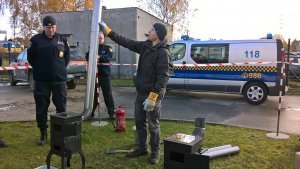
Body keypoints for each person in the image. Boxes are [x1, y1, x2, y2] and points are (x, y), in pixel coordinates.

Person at [100, 21, 171, 164]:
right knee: (140, 122)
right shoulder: (145, 46)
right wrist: (108, 31)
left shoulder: (163, 53)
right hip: (141, 93)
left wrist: (153, 97)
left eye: (151, 30)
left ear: (157, 34)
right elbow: (127, 42)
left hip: (153, 96)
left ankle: (155, 152)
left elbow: (163, 77)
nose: (148, 32)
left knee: (153, 125)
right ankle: (141, 148)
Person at [27, 16, 70, 146]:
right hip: (42, 81)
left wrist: (59, 69)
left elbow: (66, 58)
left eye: (53, 27)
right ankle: (43, 134)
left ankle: (59, 134)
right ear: (43, 27)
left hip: (59, 81)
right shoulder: (35, 40)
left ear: (55, 27)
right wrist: (41, 70)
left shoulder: (62, 39)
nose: (50, 30)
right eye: (48, 27)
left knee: (61, 108)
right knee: (41, 108)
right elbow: (31, 59)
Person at [85, 32, 115, 119]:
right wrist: (91, 54)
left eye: (101, 38)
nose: (99, 40)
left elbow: (108, 57)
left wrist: (99, 57)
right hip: (94, 75)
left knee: (108, 95)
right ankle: (91, 113)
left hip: (104, 76)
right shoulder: (92, 47)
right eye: (98, 38)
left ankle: (111, 113)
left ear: (104, 39)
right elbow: (87, 57)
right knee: (93, 96)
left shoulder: (107, 48)